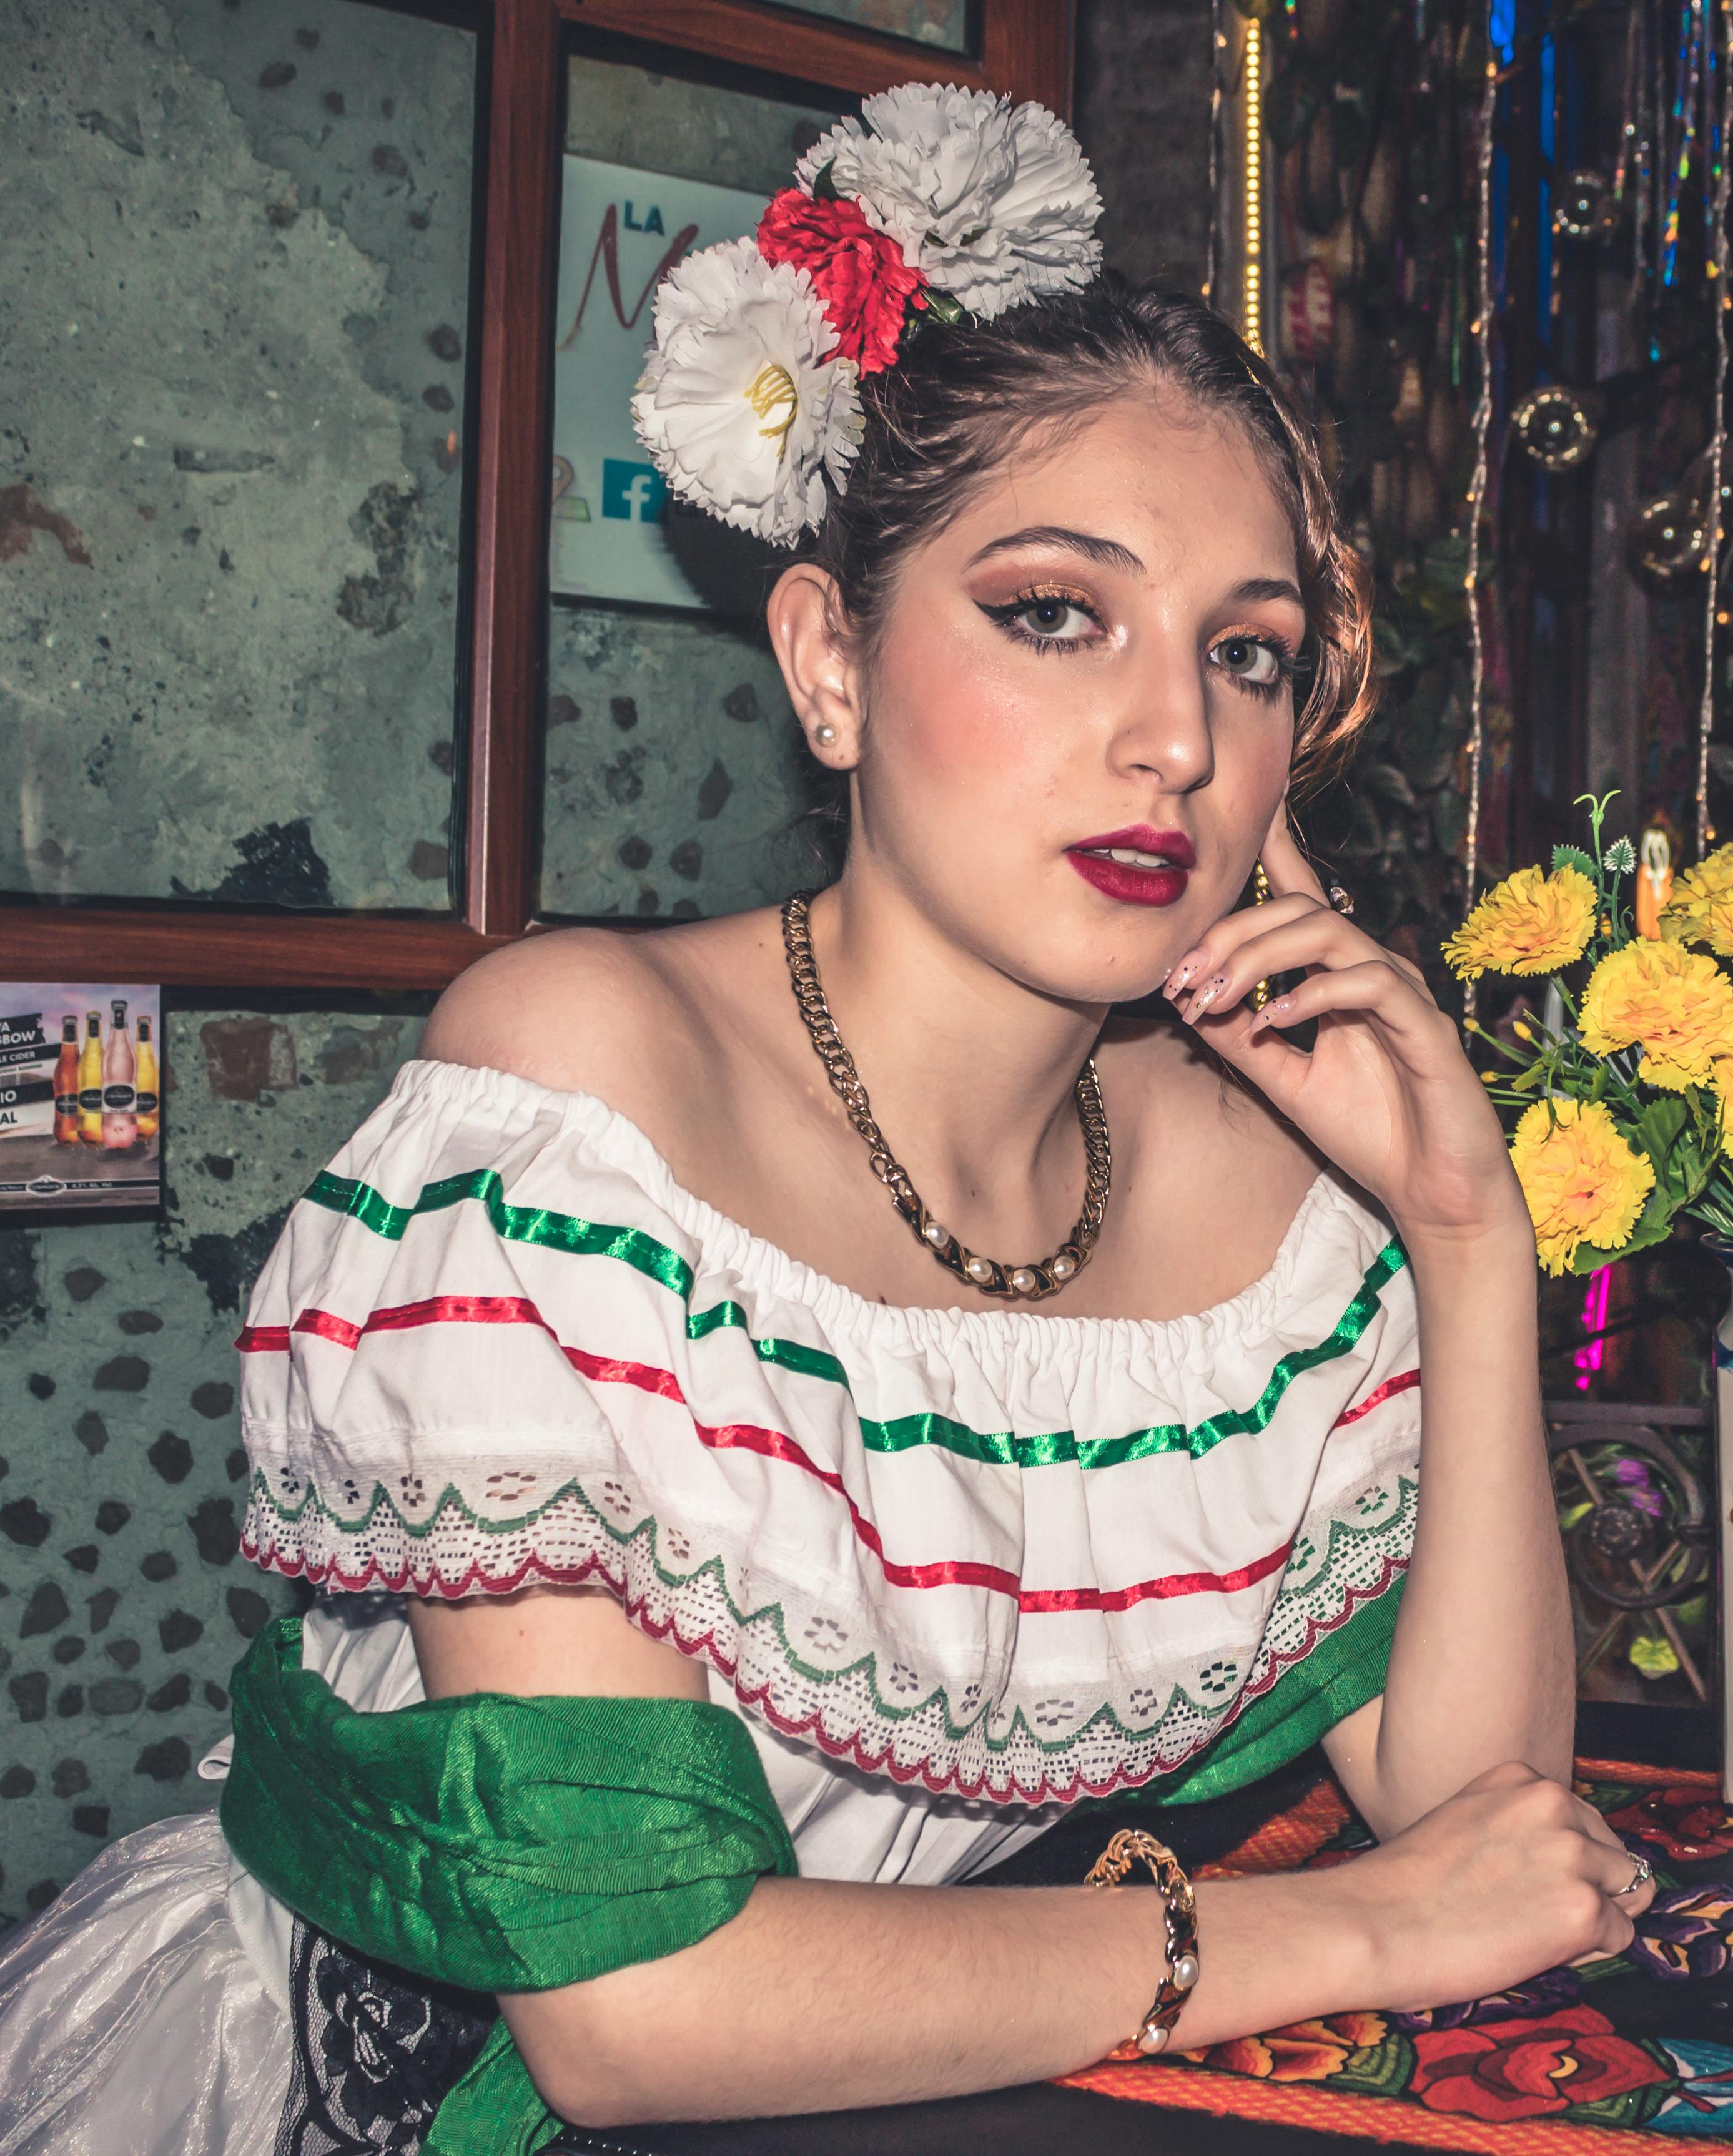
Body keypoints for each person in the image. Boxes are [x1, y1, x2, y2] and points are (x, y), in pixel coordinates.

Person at [0, 87, 1647, 2153]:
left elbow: (1488, 1822)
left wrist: (1465, 1238)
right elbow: (629, 2005)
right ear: (830, 663)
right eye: (1056, 613)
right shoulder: (587, 1091)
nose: (1176, 737)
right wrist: (1342, 1934)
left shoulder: (1257, 1191)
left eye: (1249, 654)